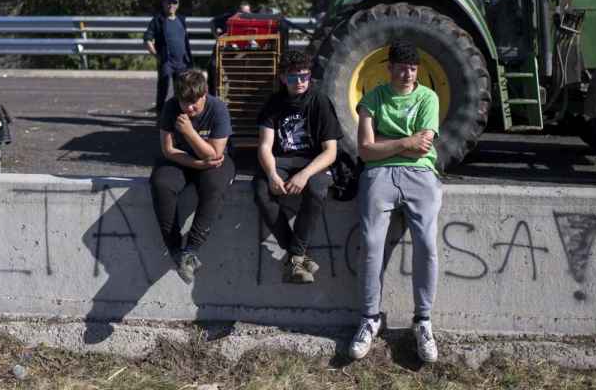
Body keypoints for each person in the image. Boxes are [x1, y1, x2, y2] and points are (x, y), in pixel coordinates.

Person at [348, 40, 441, 363]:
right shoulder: (372, 99)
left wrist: (386, 144)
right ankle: (370, 317)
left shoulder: (428, 97)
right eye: (401, 67)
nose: (407, 74)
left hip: (420, 175)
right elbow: (365, 150)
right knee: (372, 243)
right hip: (379, 175)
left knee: (427, 244)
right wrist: (405, 141)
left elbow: (424, 147)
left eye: (413, 69)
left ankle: (423, 321)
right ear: (388, 68)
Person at [253, 50, 341, 284]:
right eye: (293, 78)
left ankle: (294, 257)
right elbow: (264, 146)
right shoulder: (274, 103)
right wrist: (271, 174)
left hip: (312, 162)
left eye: (304, 76)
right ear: (283, 78)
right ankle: (299, 255)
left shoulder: (319, 101)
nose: (300, 82)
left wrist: (304, 174)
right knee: (262, 191)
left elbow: (330, 151)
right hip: (281, 161)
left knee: (316, 189)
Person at [150, 68, 234, 284]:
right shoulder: (170, 108)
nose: (189, 107)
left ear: (204, 94)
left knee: (214, 186)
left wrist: (188, 132)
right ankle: (175, 249)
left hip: (216, 162)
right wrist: (197, 163)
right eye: (184, 102)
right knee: (161, 184)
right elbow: (168, 150)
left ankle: (192, 249)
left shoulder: (218, 108)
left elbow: (214, 154)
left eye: (194, 101)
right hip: (183, 160)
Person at [144, 0, 192, 113]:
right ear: (164, 4)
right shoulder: (158, 20)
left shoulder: (181, 19)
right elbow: (147, 39)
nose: (171, 5)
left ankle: (178, 115)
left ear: (178, 5)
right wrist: (156, 55)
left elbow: (185, 40)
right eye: (169, 2)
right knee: (163, 88)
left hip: (182, 62)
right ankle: (160, 114)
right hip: (166, 61)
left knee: (181, 90)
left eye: (174, 2)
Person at [207, 2, 251, 95]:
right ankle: (214, 96)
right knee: (213, 66)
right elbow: (212, 22)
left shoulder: (251, 21)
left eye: (247, 12)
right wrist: (217, 37)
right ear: (238, 11)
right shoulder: (228, 17)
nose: (245, 15)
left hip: (240, 53)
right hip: (223, 51)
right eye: (243, 12)